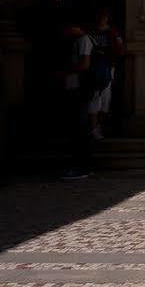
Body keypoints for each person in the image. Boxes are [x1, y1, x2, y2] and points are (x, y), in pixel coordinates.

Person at [59, 19, 95, 179]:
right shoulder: (79, 41)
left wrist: (65, 71)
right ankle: (81, 165)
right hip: (76, 88)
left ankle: (82, 166)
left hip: (80, 89)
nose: (65, 32)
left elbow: (85, 64)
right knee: (77, 127)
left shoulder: (84, 40)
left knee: (79, 128)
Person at [85, 8, 120, 140]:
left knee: (105, 102)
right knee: (95, 99)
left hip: (107, 68)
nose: (102, 19)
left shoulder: (111, 33)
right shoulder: (90, 33)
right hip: (94, 70)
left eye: (104, 16)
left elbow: (118, 50)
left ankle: (98, 127)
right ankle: (94, 128)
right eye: (100, 16)